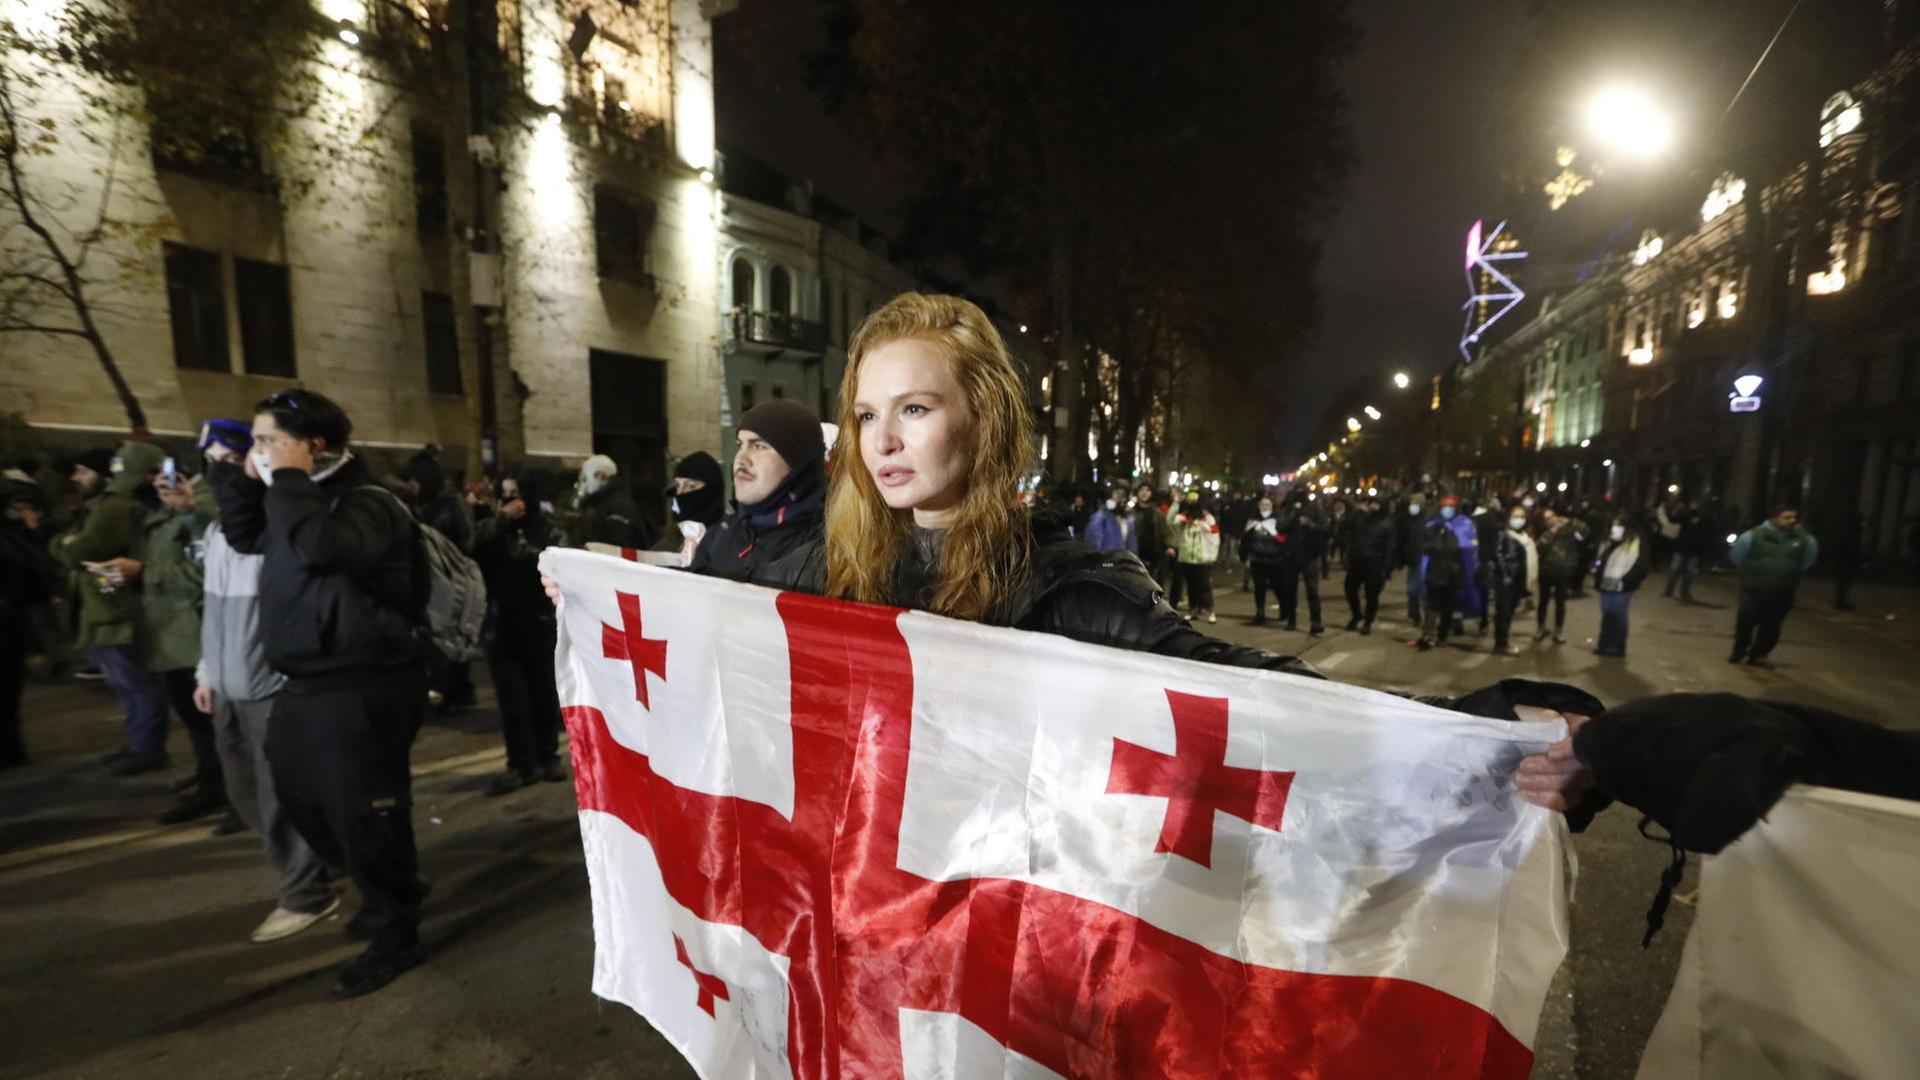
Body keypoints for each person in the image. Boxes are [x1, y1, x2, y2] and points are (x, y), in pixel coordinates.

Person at [232, 389, 428, 997]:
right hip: (307, 681)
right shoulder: (292, 498)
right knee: (301, 797)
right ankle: (384, 884)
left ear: (313, 445)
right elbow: (245, 535)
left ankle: (395, 929)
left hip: (366, 681)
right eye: (255, 441)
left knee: (366, 812)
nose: (259, 452)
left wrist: (287, 479)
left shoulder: (369, 502)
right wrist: (235, 475)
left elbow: (319, 548)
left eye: (269, 440)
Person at [194, 420, 340, 940]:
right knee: (243, 791)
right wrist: (207, 671)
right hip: (228, 687)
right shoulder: (216, 534)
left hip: (273, 690)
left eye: (231, 462)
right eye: (211, 463)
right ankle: (321, 863)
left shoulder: (277, 530)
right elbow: (212, 613)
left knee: (283, 796)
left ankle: (307, 892)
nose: (220, 476)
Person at [52, 442, 172, 775]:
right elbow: (68, 545)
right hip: (104, 608)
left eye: (83, 471)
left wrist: (66, 546)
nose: (77, 477)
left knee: (136, 685)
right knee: (127, 685)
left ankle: (147, 749)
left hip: (112, 612)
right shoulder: (104, 506)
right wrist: (66, 544)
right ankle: (140, 744)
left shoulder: (114, 507)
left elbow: (80, 551)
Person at [137, 458, 230, 826]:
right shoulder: (166, 508)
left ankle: (231, 795)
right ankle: (212, 785)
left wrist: (144, 572)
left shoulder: (205, 504)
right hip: (171, 633)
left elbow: (207, 568)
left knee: (214, 726)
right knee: (197, 724)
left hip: (193, 633)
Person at [472, 473, 567, 796]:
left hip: (539, 622)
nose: (510, 502)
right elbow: (474, 545)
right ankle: (521, 763)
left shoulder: (546, 528)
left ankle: (547, 755)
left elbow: (555, 561)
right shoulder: (494, 528)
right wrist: (500, 521)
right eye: (505, 495)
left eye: (516, 495)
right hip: (503, 625)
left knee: (543, 695)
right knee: (514, 701)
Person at [689, 400, 830, 581]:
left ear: (798, 463)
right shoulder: (719, 536)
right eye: (740, 444)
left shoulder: (833, 549)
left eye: (759, 446)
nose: (741, 459)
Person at [2, 480, 61, 767]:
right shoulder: (12, 538)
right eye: (20, 508)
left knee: (9, 692)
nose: (27, 513)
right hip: (9, 618)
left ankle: (11, 750)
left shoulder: (18, 535)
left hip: (13, 620)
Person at [1728, 503, 1819, 667]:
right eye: (1786, 517)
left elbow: (1807, 561)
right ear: (1774, 518)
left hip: (1782, 591)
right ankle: (1739, 650)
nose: (1792, 521)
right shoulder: (1753, 536)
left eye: (1794, 517)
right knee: (1746, 620)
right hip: (1754, 589)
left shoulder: (1804, 540)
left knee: (1772, 625)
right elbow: (1737, 556)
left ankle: (1758, 653)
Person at [1417, 495, 1471, 651]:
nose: (1448, 509)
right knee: (1431, 605)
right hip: (1435, 571)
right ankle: (1428, 634)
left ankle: (1442, 635)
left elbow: (1467, 549)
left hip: (1453, 574)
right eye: (1445, 506)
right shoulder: (1433, 525)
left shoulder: (1463, 526)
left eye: (1451, 506)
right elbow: (1425, 545)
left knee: (1448, 608)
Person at [1592, 516, 1651, 658]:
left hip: (1623, 586)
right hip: (1607, 584)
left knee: (1618, 615)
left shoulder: (1637, 543)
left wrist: (1628, 580)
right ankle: (1603, 644)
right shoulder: (1609, 542)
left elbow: (1641, 566)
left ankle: (1617, 646)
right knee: (1607, 614)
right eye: (1613, 525)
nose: (1614, 528)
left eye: (1618, 526)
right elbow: (1601, 559)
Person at [1481, 505, 1535, 656]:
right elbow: (1497, 554)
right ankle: (1501, 643)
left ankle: (1503, 640)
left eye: (1522, 516)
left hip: (1518, 578)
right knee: (1503, 612)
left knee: (1509, 611)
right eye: (1515, 516)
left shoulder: (1524, 536)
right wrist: (1505, 575)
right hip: (1506, 579)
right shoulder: (1503, 534)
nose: (1519, 520)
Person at [571, 453, 651, 550]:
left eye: (585, 479)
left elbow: (616, 550)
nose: (583, 484)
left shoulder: (617, 507)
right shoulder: (603, 504)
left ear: (599, 476)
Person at [1341, 495, 1395, 635]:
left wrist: (1386, 569)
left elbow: (1389, 548)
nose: (1373, 507)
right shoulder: (1361, 519)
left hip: (1374, 564)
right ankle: (1357, 614)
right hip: (1357, 562)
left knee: (1371, 595)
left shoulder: (1387, 524)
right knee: (1350, 589)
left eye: (1376, 505)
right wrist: (1355, 513)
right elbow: (1345, 528)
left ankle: (1368, 621)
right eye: (1372, 504)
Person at [660, 451, 726, 562]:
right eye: (677, 486)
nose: (680, 493)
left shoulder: (729, 542)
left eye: (691, 486)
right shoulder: (669, 542)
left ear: (712, 491)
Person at [1274, 490, 1324, 635]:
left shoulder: (1315, 508)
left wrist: (1310, 524)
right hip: (1291, 554)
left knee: (1312, 590)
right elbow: (1280, 527)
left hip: (1310, 554)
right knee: (1290, 589)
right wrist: (1294, 515)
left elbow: (1325, 528)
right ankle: (1291, 619)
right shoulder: (1287, 509)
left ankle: (1316, 621)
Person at [1534, 509, 1586, 644]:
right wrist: (1552, 532)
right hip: (1546, 571)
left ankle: (1558, 630)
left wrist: (1570, 522)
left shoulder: (1569, 532)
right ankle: (1541, 628)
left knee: (1560, 602)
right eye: (1547, 519)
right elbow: (1540, 548)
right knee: (1543, 602)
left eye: (1552, 517)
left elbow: (1585, 532)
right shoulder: (1544, 534)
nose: (1551, 520)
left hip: (1564, 572)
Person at [1170, 491, 1221, 624]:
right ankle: (1193, 610)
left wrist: (1212, 555)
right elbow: (1170, 520)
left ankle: (1210, 610)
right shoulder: (1184, 517)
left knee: (1204, 585)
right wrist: (1176, 503)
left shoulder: (1207, 518)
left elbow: (1215, 536)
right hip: (1186, 557)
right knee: (1191, 586)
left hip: (1201, 558)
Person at [1240, 495, 1283, 625]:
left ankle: (1284, 608)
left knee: (1278, 586)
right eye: (1262, 505)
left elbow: (1283, 539)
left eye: (1267, 505)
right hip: (1257, 559)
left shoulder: (1278, 521)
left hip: (1274, 559)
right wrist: (1244, 555)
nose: (1264, 507)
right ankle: (1260, 612)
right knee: (1259, 587)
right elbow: (1245, 540)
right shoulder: (1252, 522)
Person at [1131, 483, 1176, 595]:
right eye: (1141, 490)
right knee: (1136, 585)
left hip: (1155, 555)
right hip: (1135, 554)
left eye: (1147, 490)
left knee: (1155, 586)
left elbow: (1165, 532)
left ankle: (1155, 608)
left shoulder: (1157, 513)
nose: (1144, 493)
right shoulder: (1131, 512)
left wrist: (1170, 546)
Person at [1661, 500, 1703, 602]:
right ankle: (1669, 590)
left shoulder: (1702, 519)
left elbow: (1705, 534)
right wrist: (1675, 510)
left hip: (1693, 550)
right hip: (1682, 548)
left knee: (1689, 573)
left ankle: (1684, 592)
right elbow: (1673, 520)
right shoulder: (1685, 517)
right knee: (1675, 570)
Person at [1397, 494, 1428, 626]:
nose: (1412, 507)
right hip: (1412, 558)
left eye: (1415, 504)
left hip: (1424, 558)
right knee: (1413, 589)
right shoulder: (1408, 520)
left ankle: (1425, 615)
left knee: (1422, 589)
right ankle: (1414, 614)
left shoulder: (1426, 520)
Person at [1084, 487, 1137, 556]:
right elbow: (1092, 544)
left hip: (1123, 561)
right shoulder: (1100, 517)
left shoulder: (1129, 520)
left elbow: (1132, 546)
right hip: (1107, 562)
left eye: (1123, 496)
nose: (1121, 499)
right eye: (1117, 494)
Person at [1830, 510, 1864, 611]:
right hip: (1846, 563)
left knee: (1843, 584)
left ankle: (1840, 601)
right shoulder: (1851, 533)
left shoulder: (1849, 532)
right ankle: (1840, 602)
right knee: (1844, 584)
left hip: (1844, 562)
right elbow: (1849, 549)